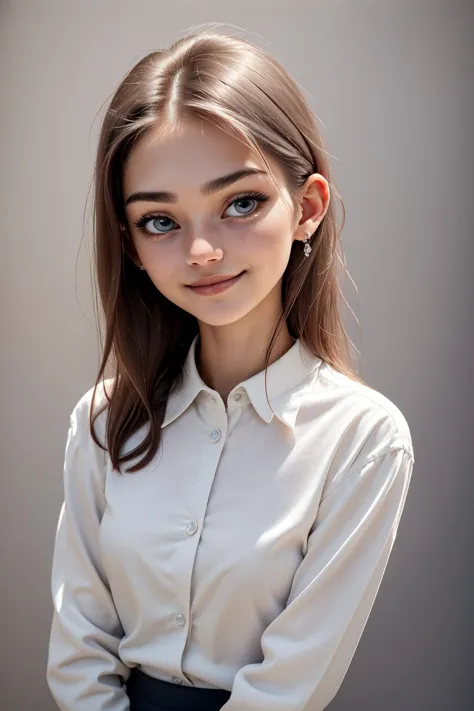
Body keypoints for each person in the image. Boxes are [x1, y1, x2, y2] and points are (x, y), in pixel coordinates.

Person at [46, 26, 415, 711]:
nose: (203, 249)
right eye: (161, 220)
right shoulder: (100, 422)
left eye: (240, 203)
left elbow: (291, 684)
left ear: (306, 208)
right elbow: (77, 654)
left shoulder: (364, 439)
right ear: (129, 243)